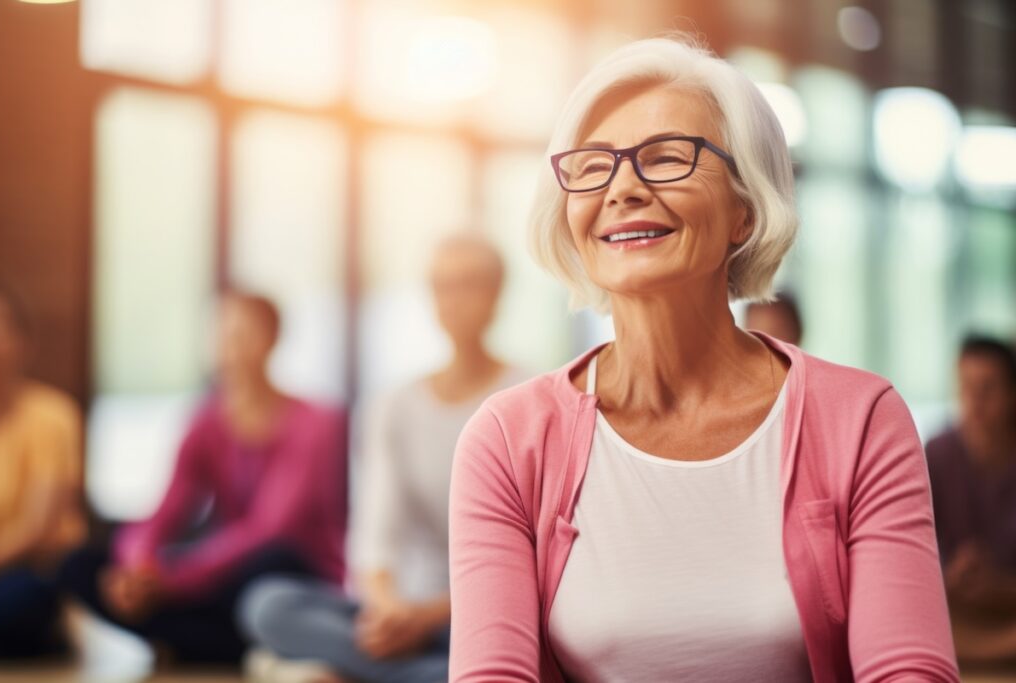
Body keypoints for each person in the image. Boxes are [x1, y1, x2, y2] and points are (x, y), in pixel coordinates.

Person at [448, 36, 959, 682]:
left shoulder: (860, 420)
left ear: (743, 210)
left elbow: (910, 672)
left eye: (665, 158)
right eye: (594, 165)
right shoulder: (507, 439)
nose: (623, 187)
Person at [238, 235, 526, 683]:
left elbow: (528, 559)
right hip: (398, 610)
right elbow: (374, 535)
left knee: (515, 641)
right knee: (267, 604)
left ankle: (345, 669)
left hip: (483, 614)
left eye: (471, 284)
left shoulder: (527, 399)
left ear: (498, 294)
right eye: (443, 286)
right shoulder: (392, 405)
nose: (455, 300)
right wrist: (389, 608)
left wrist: (426, 618)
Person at [59, 291, 348, 665]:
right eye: (220, 336)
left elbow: (269, 528)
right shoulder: (205, 422)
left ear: (273, 339)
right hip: (217, 579)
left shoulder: (315, 423)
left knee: (270, 565)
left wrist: (172, 580)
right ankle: (229, 646)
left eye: (242, 335)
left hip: (286, 575)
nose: (229, 349)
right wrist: (139, 566)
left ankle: (200, 642)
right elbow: (164, 512)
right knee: (82, 564)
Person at [0, 284, 86, 659]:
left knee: (20, 602)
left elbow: (38, 528)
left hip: (29, 569)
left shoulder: (51, 416)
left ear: (23, 343)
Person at [926, 334, 1016, 668]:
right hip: (956, 614)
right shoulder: (936, 453)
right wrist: (951, 573)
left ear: (1012, 393)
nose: (974, 402)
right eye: (966, 387)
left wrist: (999, 587)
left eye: (988, 389)